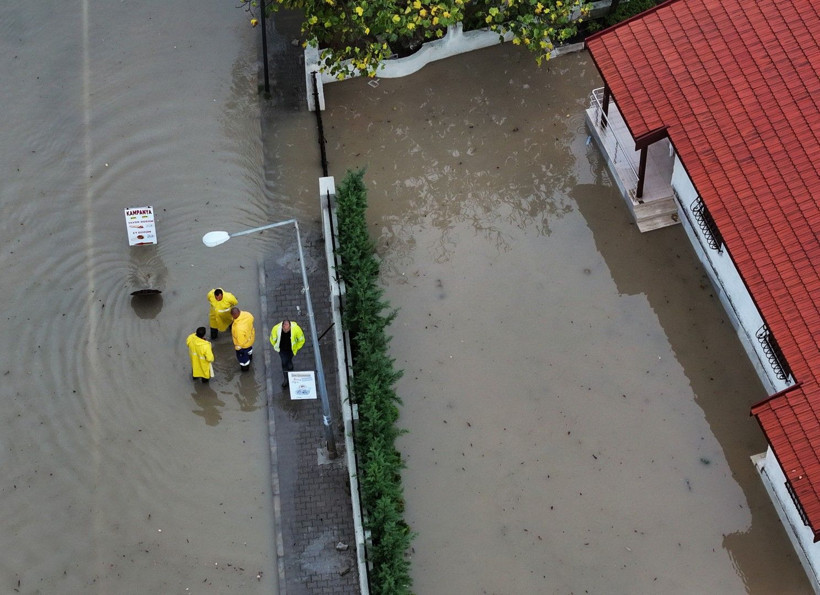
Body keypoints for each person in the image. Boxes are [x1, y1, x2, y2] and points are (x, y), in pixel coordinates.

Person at [269, 319, 305, 388]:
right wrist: (276, 346)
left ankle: (290, 371)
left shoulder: (296, 329)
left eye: (287, 329)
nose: (286, 331)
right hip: (282, 350)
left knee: (289, 361)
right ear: (282, 326)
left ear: (290, 327)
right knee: (284, 362)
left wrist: (296, 347)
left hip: (291, 350)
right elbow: (272, 339)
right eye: (284, 329)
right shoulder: (276, 329)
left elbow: (301, 340)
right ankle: (286, 378)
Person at [230, 306, 255, 372]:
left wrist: (238, 347)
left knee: (243, 359)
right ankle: (250, 357)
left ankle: (245, 368)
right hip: (250, 338)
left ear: (234, 315)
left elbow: (240, 342)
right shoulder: (247, 314)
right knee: (249, 350)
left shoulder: (238, 328)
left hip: (243, 346)